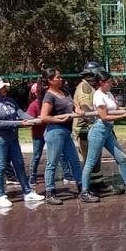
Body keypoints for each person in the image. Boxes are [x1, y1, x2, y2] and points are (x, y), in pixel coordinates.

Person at [79, 72, 126, 203]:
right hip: (99, 130)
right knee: (91, 162)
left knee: (121, 157)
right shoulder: (98, 96)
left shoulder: (108, 94)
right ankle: (84, 192)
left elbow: (117, 108)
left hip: (108, 131)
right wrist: (124, 116)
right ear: (101, 83)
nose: (111, 84)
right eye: (109, 82)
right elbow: (104, 116)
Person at [0, 77, 43, 209]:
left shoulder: (10, 101)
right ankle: (1, 195)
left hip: (13, 138)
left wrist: (37, 119)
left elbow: (22, 114)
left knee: (19, 164)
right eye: (3, 88)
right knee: (0, 166)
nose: (5, 89)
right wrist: (20, 123)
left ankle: (27, 191)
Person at [38, 68, 85, 206]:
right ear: (50, 81)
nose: (61, 79)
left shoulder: (64, 91)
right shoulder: (49, 96)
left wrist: (78, 111)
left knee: (75, 161)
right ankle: (50, 193)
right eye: (57, 77)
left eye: (60, 76)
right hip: (55, 132)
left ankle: (83, 189)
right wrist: (60, 120)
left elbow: (73, 106)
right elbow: (44, 117)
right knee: (52, 163)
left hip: (66, 132)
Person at [74, 64, 108, 193]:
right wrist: (99, 121)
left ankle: (98, 184)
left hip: (89, 128)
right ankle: (88, 188)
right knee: (91, 159)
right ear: (90, 75)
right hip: (84, 129)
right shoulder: (85, 88)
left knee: (95, 158)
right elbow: (86, 109)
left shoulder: (89, 87)